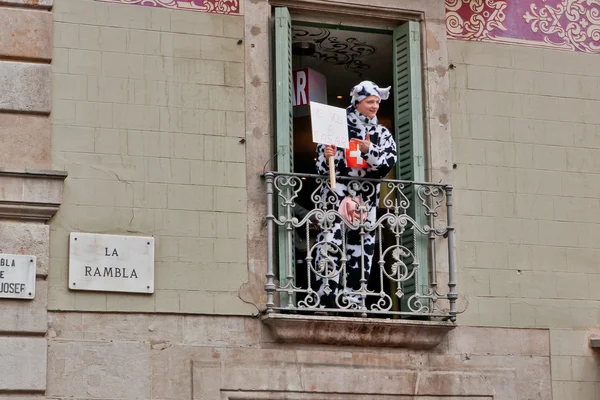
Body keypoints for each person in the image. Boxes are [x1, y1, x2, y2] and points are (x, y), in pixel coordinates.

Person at [314, 81, 397, 309]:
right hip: (336, 197)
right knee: (330, 244)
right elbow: (322, 168)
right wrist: (327, 154)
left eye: (377, 102)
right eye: (370, 102)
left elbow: (386, 165)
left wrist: (368, 150)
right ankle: (327, 297)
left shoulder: (381, 133)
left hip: (366, 201)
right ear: (357, 102)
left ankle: (353, 300)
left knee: (363, 250)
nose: (375, 106)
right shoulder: (335, 127)